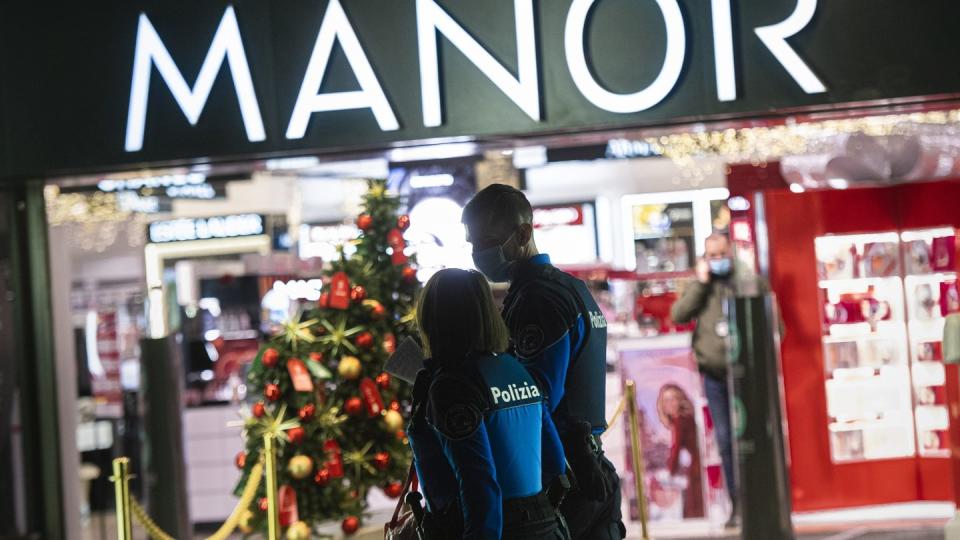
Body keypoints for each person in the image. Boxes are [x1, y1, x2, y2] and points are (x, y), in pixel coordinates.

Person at [462, 184, 625, 540]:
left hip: (561, 474)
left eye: (487, 240)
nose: (478, 252)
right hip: (587, 467)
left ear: (522, 233)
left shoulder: (539, 300)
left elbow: (534, 400)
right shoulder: (570, 288)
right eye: (472, 243)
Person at [408, 268, 570, 540]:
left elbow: (478, 484)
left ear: (432, 320)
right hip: (545, 524)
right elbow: (555, 462)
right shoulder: (517, 370)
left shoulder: (451, 386)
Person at [669, 233, 739, 528]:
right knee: (724, 441)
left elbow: (774, 326)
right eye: (712, 256)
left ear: (731, 253)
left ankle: (759, 498)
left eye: (721, 254)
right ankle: (737, 506)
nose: (718, 260)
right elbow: (679, 314)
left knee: (753, 441)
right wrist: (701, 282)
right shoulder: (702, 288)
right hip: (715, 377)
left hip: (747, 376)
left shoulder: (745, 281)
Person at [657, 384, 704, 519]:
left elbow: (676, 448)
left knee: (693, 511)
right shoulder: (685, 418)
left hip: (694, 471)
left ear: (680, 400)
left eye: (673, 399)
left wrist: (670, 471)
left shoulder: (681, 420)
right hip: (694, 470)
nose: (669, 404)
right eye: (666, 400)